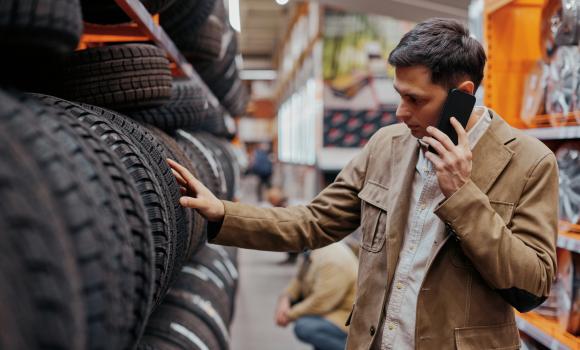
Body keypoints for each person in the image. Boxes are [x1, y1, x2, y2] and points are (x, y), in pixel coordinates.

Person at [168, 18, 558, 349]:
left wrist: (462, 195)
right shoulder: (387, 146)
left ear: (463, 96)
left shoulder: (529, 162)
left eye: (415, 99)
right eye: (398, 95)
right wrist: (223, 212)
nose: (400, 112)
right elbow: (313, 222)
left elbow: (533, 284)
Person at [274, 242, 358, 350]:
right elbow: (299, 280)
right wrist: (285, 299)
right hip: (333, 310)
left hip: (346, 318)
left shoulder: (332, 259)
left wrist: (289, 315)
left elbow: (321, 303)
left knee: (304, 327)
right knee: (305, 319)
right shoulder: (313, 251)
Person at [266, 187, 298, 264]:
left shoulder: (283, 205)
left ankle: (292, 257)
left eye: (271, 201)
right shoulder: (283, 202)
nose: (271, 203)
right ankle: (291, 257)